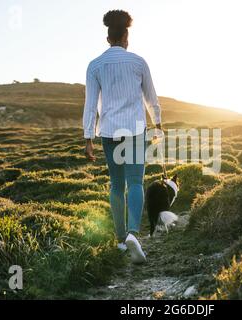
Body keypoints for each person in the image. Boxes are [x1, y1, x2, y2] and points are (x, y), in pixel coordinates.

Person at [83, 10, 162, 264]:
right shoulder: (138, 62)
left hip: (109, 133)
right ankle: (133, 234)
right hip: (136, 130)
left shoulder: (95, 65)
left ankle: (119, 240)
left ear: (108, 37)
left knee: (116, 185)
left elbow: (90, 104)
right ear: (126, 36)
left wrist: (88, 137)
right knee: (136, 182)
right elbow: (151, 98)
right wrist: (158, 124)